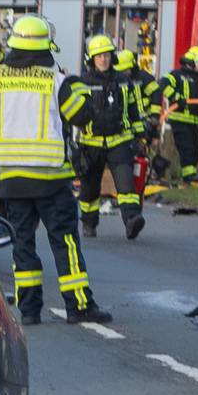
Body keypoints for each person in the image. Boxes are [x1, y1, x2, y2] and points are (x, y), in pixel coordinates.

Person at [0, 16, 111, 324]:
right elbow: (82, 116)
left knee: (22, 245)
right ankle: (79, 306)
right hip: (50, 180)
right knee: (65, 242)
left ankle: (29, 311)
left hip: (12, 179)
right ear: (45, 48)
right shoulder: (55, 81)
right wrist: (78, 87)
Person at [77, 34, 146, 240]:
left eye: (106, 55)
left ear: (112, 57)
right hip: (91, 143)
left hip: (120, 140)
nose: (103, 60)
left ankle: (132, 220)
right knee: (89, 188)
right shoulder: (83, 82)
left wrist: (141, 136)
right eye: (98, 56)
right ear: (91, 59)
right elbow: (73, 113)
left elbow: (134, 110)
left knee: (126, 185)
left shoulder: (124, 81)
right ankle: (89, 224)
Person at [160, 45, 198, 185]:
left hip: (194, 121)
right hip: (180, 119)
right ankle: (188, 177)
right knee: (186, 148)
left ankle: (190, 176)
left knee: (194, 148)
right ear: (192, 62)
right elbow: (163, 84)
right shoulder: (177, 74)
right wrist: (176, 98)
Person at [114, 48, 161, 144]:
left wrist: (155, 117)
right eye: (122, 70)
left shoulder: (144, 78)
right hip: (127, 122)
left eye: (126, 69)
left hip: (145, 121)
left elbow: (156, 95)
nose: (124, 73)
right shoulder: (118, 81)